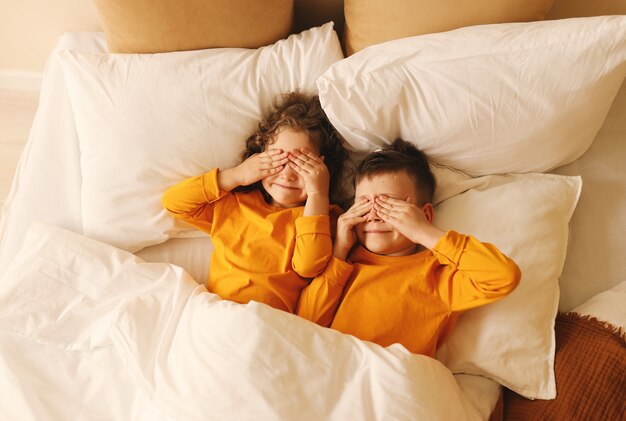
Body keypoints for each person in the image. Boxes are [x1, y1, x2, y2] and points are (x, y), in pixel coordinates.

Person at [296, 138, 521, 357]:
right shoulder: (343, 263)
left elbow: (503, 276)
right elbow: (304, 323)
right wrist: (340, 252)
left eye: (389, 205)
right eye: (363, 205)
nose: (373, 216)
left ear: (425, 215)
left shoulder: (438, 277)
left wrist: (424, 232)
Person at [162, 92, 349, 313]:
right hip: (216, 313)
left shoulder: (325, 218)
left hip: (268, 323)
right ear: (259, 157)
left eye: (301, 164)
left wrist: (318, 193)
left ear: (322, 168)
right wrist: (236, 176)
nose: (287, 175)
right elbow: (174, 203)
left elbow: (309, 265)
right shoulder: (234, 206)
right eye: (277, 160)